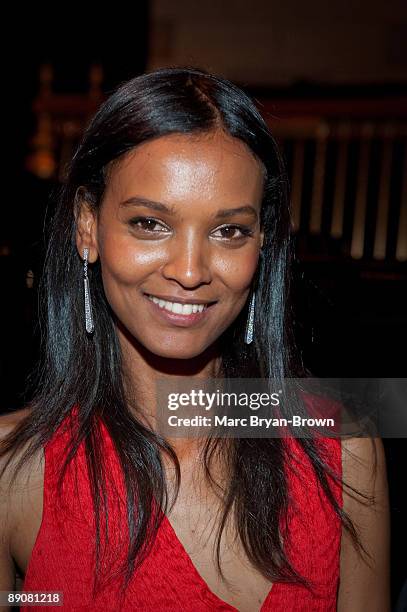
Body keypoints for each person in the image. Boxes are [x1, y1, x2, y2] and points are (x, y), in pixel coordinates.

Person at [0, 67, 389, 611]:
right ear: (88, 226)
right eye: (150, 224)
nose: (189, 270)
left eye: (228, 231)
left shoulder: (342, 453)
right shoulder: (13, 469)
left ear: (261, 245)